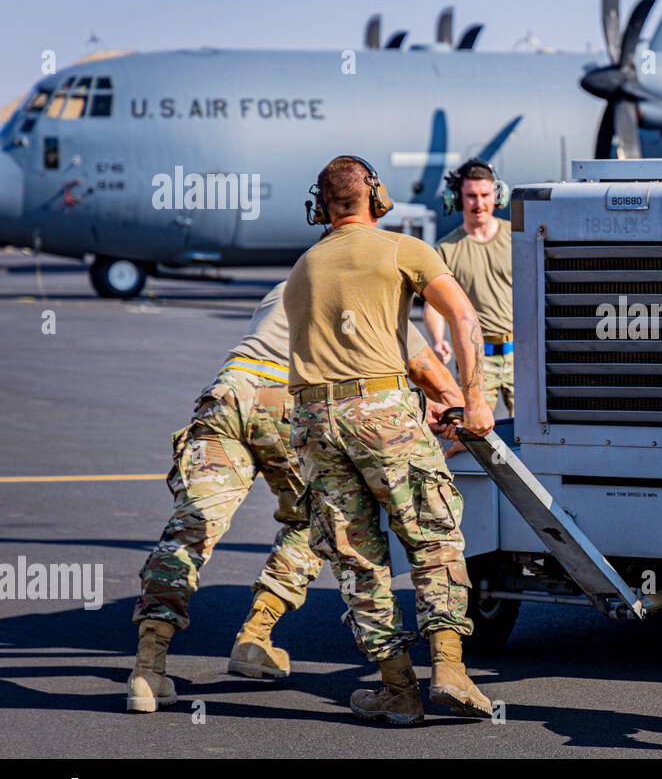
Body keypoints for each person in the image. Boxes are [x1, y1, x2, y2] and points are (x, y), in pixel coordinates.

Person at [127, 281, 461, 714]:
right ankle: (255, 637)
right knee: (314, 521)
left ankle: (147, 670)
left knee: (189, 531)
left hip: (227, 395)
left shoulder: (286, 285)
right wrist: (453, 404)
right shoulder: (367, 289)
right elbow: (423, 365)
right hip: (286, 400)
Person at [286, 154, 495, 726]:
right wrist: (472, 399)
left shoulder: (304, 267)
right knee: (432, 536)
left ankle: (398, 689)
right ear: (375, 197)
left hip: (312, 423)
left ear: (320, 207)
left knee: (357, 560)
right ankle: (449, 669)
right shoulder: (404, 249)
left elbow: (353, 339)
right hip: (381, 413)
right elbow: (463, 319)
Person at [424, 158, 513, 419]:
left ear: (497, 196)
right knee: (476, 432)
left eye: (485, 195)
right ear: (457, 198)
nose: (479, 203)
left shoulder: (517, 238)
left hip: (521, 356)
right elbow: (434, 306)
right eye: (471, 196)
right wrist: (438, 340)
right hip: (476, 360)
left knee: (534, 433)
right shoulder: (446, 249)